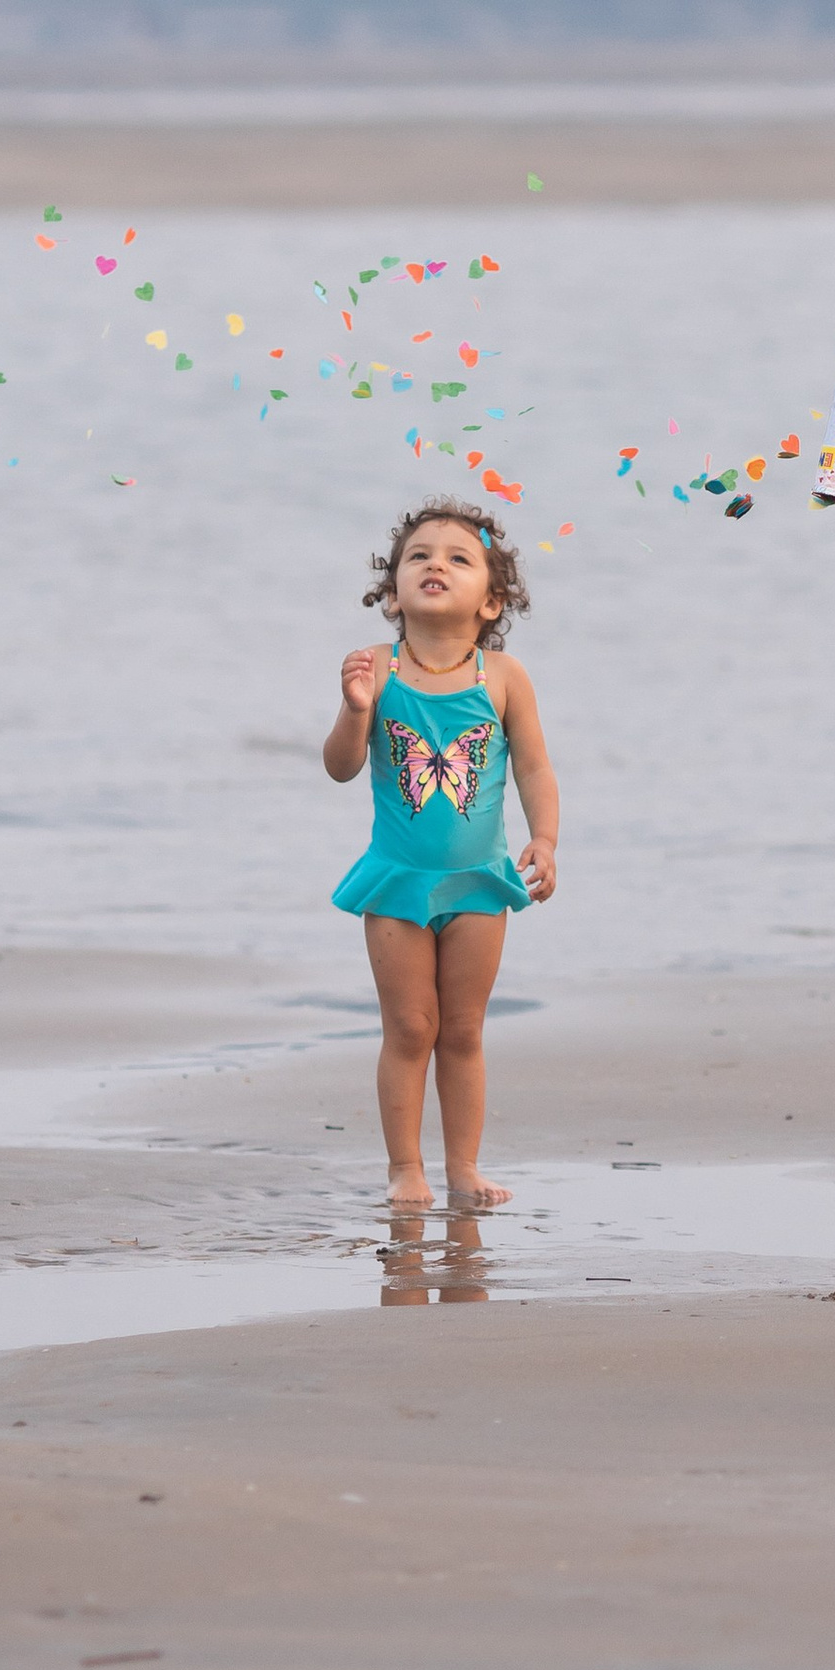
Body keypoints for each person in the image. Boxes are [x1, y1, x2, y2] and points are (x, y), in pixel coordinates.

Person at [324, 499, 559, 1212]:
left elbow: (534, 768)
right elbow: (340, 768)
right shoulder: (375, 667)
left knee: (461, 1030)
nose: (436, 564)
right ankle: (405, 1168)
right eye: (419, 555)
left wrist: (545, 839)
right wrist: (356, 710)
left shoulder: (503, 676)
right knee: (409, 1027)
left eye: (459, 558)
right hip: (397, 883)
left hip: (479, 884)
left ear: (491, 601)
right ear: (393, 590)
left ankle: (464, 1167)